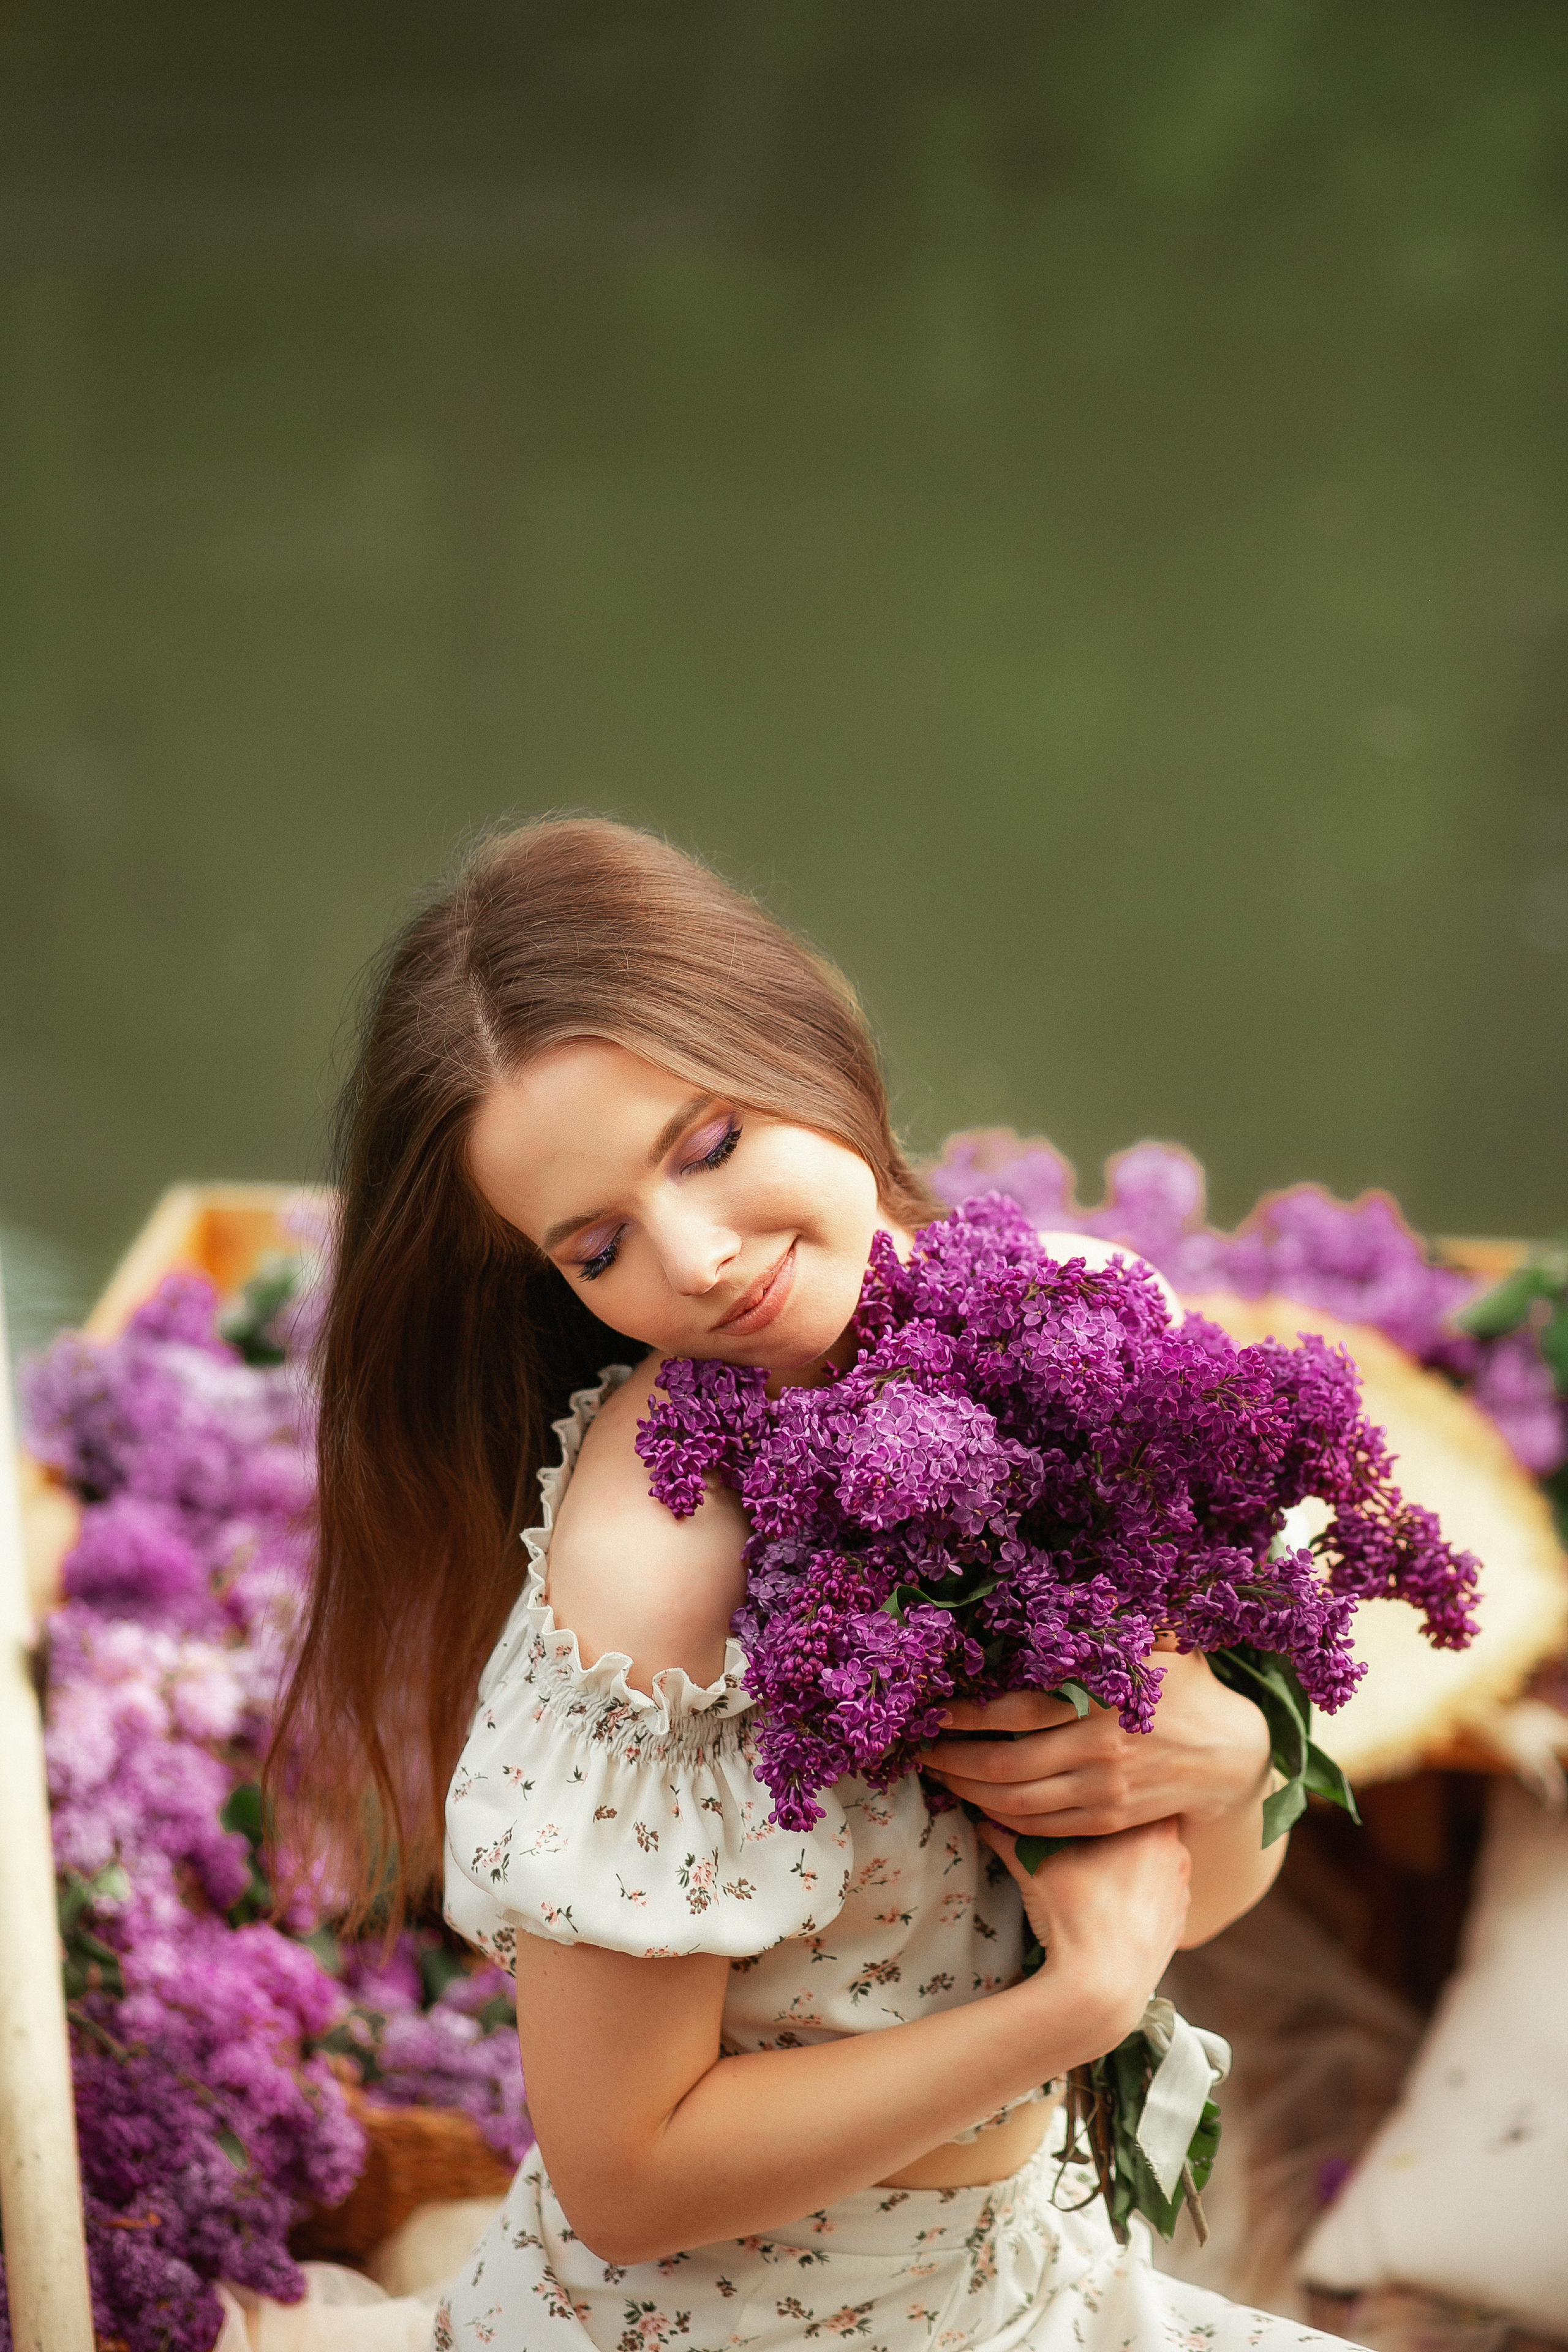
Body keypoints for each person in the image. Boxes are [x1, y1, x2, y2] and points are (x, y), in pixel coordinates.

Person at [275, 816, 1357, 2352]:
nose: (697, 1259)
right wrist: (1069, 2016)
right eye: (597, 1248)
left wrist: (1230, 1748)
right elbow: (626, 2181)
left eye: (708, 1145)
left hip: (1023, 2283)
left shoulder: (1079, 1334)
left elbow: (1195, 1894)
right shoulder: (650, 1572)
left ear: (801, 1035)